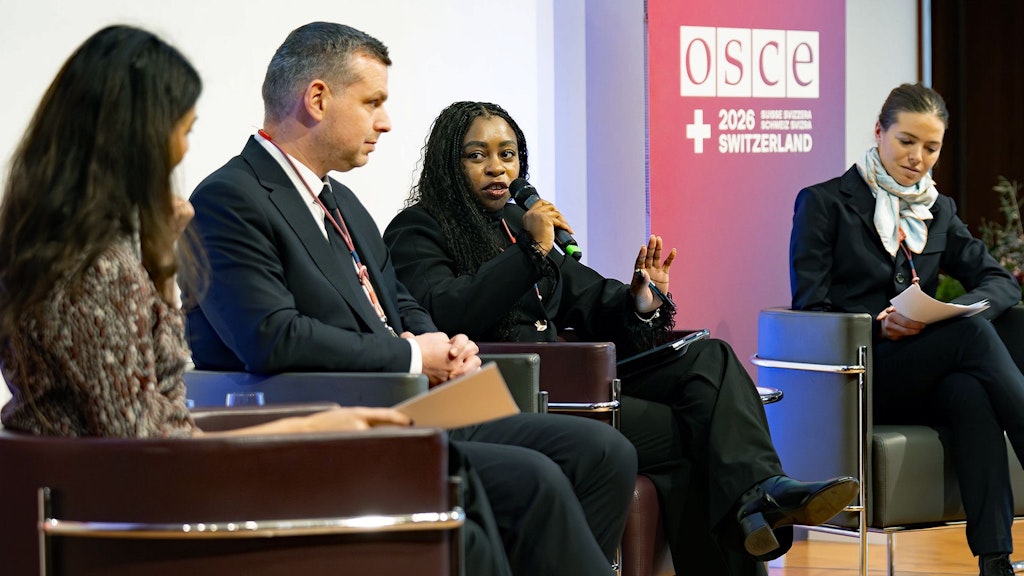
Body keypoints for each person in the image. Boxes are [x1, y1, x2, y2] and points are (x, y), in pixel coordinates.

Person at [0, 25, 516, 575]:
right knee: (457, 507)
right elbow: (146, 448)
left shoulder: (68, 250)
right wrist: (307, 429)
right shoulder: (97, 266)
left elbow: (155, 421)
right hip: (140, 517)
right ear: (137, 139)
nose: (183, 150)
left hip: (139, 491)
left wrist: (161, 264)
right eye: (183, 130)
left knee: (468, 489)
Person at [181, 22, 636, 576]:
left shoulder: (340, 200)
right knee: (533, 480)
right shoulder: (230, 199)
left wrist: (441, 343)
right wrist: (415, 356)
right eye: (372, 102)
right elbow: (270, 338)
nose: (386, 122)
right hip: (336, 420)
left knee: (604, 453)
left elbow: (397, 299)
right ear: (318, 99)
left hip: (412, 405)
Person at [382, 100, 860, 575]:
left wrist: (641, 298)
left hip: (572, 382)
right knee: (704, 434)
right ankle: (758, 498)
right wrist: (530, 251)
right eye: (477, 156)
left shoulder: (518, 226)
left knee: (710, 358)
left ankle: (763, 491)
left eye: (507, 154)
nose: (497, 168)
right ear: (449, 164)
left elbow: (589, 296)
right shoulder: (419, 229)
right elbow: (445, 311)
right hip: (513, 394)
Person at [790, 82, 1024, 576]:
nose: (918, 158)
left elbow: (1000, 282)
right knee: (973, 336)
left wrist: (947, 310)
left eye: (931, 147)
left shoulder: (938, 210)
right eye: (906, 141)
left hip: (924, 373)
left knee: (970, 392)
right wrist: (877, 329)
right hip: (861, 378)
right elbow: (810, 311)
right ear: (879, 131)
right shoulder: (824, 203)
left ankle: (996, 561)